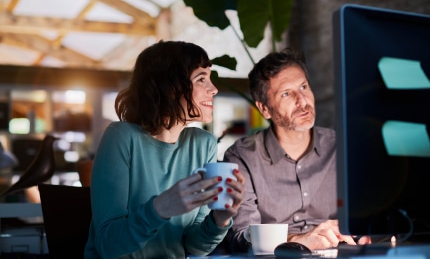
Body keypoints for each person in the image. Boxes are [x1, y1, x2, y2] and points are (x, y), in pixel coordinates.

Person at [84, 40, 245, 258]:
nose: (214, 89)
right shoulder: (122, 137)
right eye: (201, 79)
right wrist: (160, 208)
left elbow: (195, 247)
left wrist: (220, 219)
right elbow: (108, 245)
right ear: (170, 87)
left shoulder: (203, 144)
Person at [222, 47, 370, 253]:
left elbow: (370, 215)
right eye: (286, 94)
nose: (302, 102)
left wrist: (366, 233)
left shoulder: (342, 147)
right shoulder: (242, 157)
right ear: (264, 108)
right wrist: (299, 240)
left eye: (303, 87)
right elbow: (240, 236)